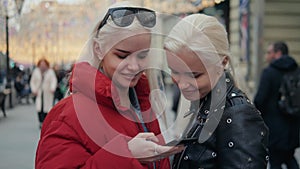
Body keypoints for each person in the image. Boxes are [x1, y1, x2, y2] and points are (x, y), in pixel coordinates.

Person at [35, 2, 183, 169]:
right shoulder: (67, 115)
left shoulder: (144, 102)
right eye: (122, 56)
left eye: (142, 55)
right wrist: (126, 154)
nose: (134, 66)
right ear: (98, 49)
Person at [163, 14, 269, 169]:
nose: (182, 84)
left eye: (194, 75)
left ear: (223, 63)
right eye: (174, 71)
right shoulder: (206, 100)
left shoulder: (237, 114)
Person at [254, 41, 300, 169]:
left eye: (269, 52)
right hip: (293, 126)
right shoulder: (296, 70)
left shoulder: (269, 72)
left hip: (274, 127)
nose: (267, 56)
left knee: (275, 161)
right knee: (289, 158)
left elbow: (260, 99)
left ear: (277, 53)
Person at [30, 58, 57, 128]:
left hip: (48, 92)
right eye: (41, 64)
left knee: (47, 108)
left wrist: (52, 88)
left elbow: (54, 80)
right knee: (39, 107)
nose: (42, 66)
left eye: (44, 64)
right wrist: (34, 90)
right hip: (39, 92)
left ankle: (46, 122)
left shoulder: (50, 72)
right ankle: (40, 122)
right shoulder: (36, 71)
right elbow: (32, 81)